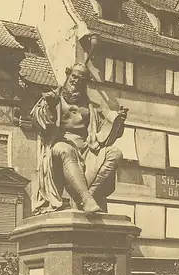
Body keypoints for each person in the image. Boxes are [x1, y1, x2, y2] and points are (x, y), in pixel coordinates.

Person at [30, 63, 128, 215]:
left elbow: (105, 135)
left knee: (115, 153)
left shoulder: (91, 107)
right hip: (58, 147)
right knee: (66, 150)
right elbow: (38, 120)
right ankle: (85, 198)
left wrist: (118, 122)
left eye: (81, 79)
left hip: (87, 148)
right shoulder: (53, 98)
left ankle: (89, 195)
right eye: (74, 77)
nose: (76, 81)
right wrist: (49, 107)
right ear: (68, 75)